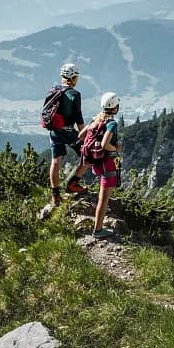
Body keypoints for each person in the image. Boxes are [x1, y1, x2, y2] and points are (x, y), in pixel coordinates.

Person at [45, 64, 88, 208]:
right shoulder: (75, 95)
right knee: (88, 155)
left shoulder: (53, 90)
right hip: (69, 132)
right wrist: (85, 137)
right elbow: (79, 119)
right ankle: (72, 185)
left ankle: (55, 196)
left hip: (54, 130)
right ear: (74, 78)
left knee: (55, 162)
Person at [87, 92, 125, 239]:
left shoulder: (96, 119)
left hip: (98, 163)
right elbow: (105, 144)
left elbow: (82, 135)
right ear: (115, 107)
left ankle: (98, 227)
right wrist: (116, 149)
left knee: (103, 197)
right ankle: (98, 230)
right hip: (107, 164)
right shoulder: (112, 123)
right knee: (103, 200)